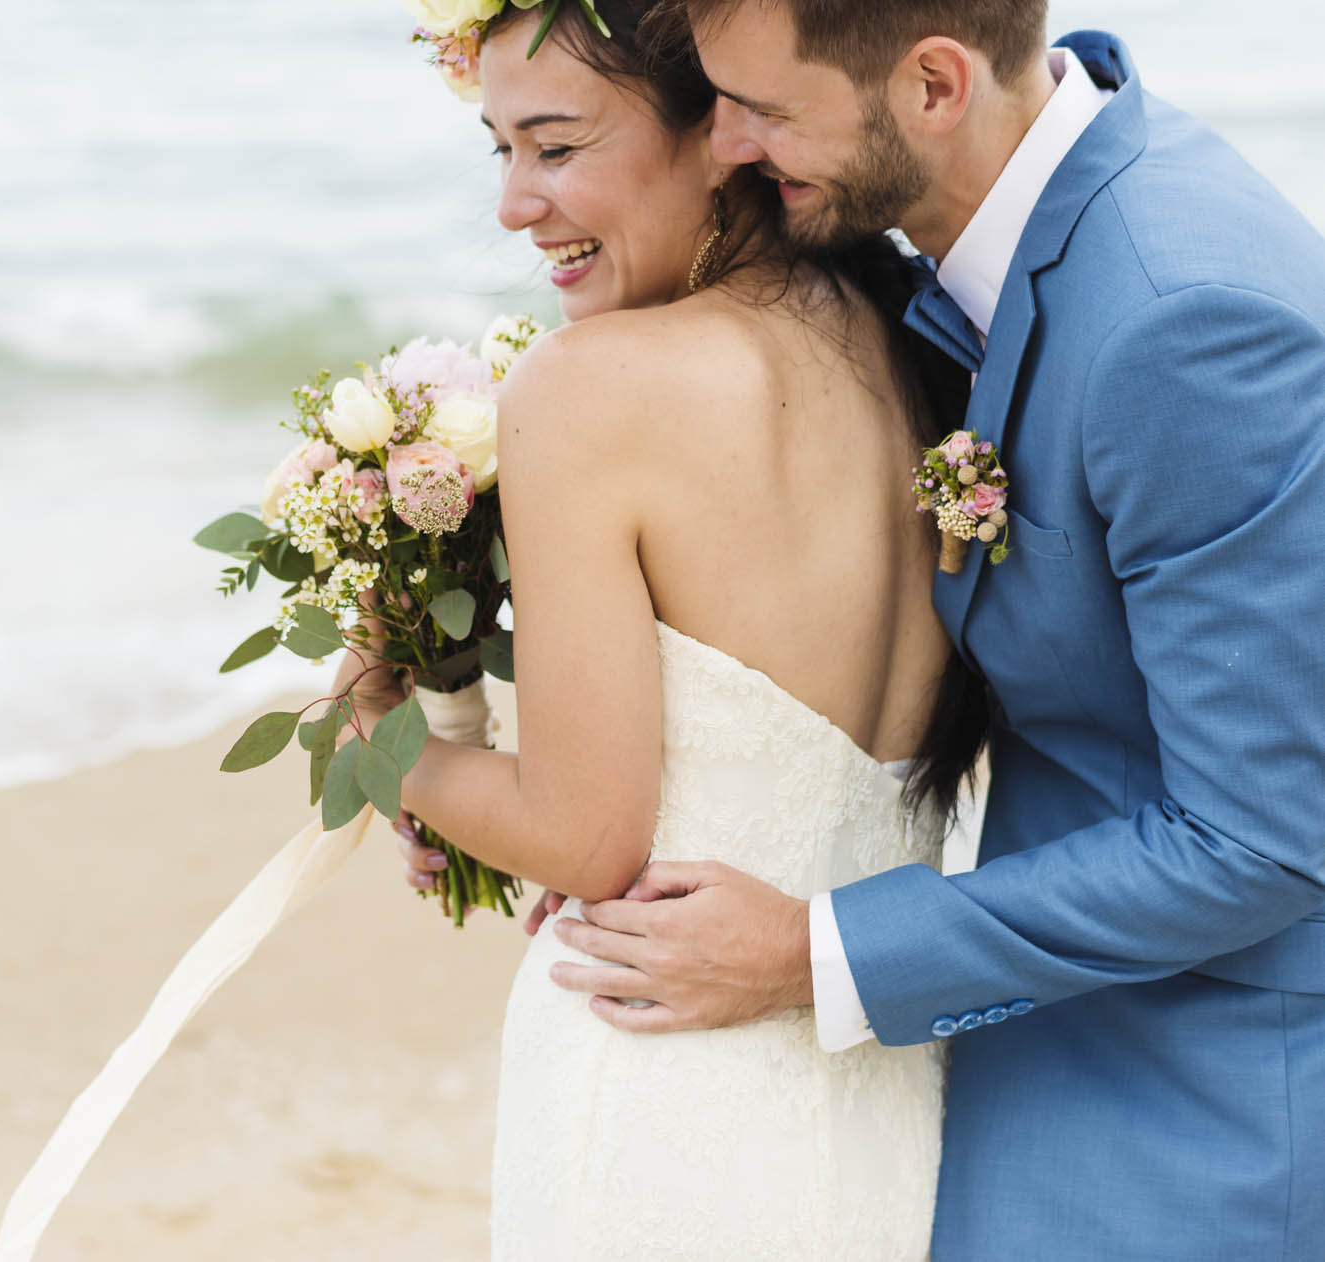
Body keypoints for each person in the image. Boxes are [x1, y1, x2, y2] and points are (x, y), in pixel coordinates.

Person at [529, 2, 1325, 1257]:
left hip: (1194, 1108)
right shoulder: (969, 248)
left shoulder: (1186, 323)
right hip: (1008, 1042)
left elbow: (1266, 835)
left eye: (767, 110)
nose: (725, 146)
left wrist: (810, 950)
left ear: (935, 86)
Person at [339, 1, 981, 1254]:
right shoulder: (919, 353)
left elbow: (581, 834)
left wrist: (373, 732)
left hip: (657, 1084)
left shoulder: (590, 389)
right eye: (500, 151)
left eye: (558, 145)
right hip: (879, 1090)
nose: (517, 204)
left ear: (725, 132)